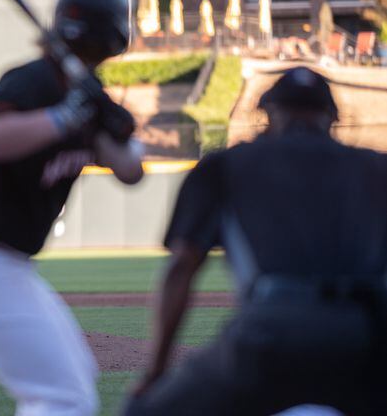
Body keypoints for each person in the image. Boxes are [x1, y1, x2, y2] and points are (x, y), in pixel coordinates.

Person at [0, 0, 145, 416]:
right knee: (65, 398)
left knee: (76, 379)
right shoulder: (33, 82)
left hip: (3, 265)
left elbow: (130, 170)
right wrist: (63, 118)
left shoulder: (86, 98)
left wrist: (103, 120)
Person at [124, 67, 387, 415]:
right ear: (333, 117)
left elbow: (181, 269)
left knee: (144, 412)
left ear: (267, 113)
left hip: (270, 333)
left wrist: (155, 372)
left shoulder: (226, 164)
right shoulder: (377, 168)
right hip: (367, 338)